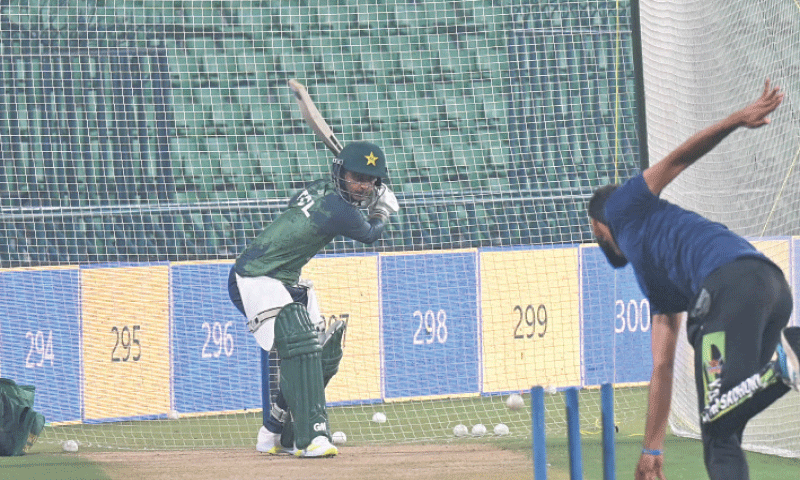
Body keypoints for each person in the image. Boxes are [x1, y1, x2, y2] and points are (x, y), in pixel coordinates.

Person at [587, 80, 800, 480]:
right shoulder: (654, 279)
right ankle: (784, 368)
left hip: (727, 290)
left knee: (720, 421)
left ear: (599, 224)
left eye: (594, 230)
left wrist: (738, 119)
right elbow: (662, 367)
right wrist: (652, 448)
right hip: (771, 289)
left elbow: (680, 157)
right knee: (723, 430)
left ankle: (782, 370)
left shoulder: (621, 205)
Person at [228, 141, 399, 458]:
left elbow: (301, 203)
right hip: (256, 277)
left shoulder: (321, 189)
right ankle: (311, 439)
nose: (362, 185)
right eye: (356, 177)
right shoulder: (339, 209)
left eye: (369, 180)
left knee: (319, 352)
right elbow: (370, 234)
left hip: (281, 279)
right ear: (341, 174)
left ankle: (275, 433)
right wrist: (382, 210)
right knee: (303, 350)